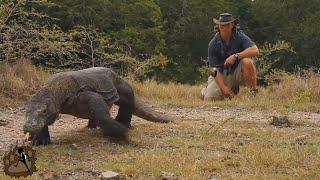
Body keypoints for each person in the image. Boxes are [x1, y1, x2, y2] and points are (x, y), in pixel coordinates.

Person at [201, 13, 259, 100]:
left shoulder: (239, 36)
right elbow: (214, 69)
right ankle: (205, 91)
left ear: (232, 25)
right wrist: (223, 87)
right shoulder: (213, 44)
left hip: (237, 72)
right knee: (210, 98)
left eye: (226, 25)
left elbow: (255, 50)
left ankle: (253, 93)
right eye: (221, 25)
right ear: (218, 25)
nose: (223, 27)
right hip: (221, 74)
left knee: (247, 61)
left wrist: (236, 56)